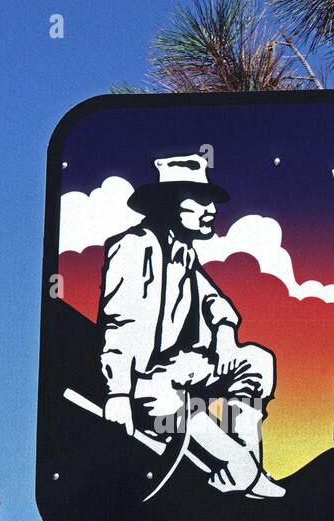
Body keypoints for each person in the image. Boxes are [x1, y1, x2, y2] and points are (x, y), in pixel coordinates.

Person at [97, 153, 284, 499]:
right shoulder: (134, 248)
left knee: (257, 360)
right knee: (178, 405)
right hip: (145, 382)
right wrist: (118, 394)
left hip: (182, 367)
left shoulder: (185, 253)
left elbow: (216, 302)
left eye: (210, 200)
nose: (211, 209)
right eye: (199, 201)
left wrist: (226, 337)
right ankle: (242, 471)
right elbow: (118, 324)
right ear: (168, 204)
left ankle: (245, 461)